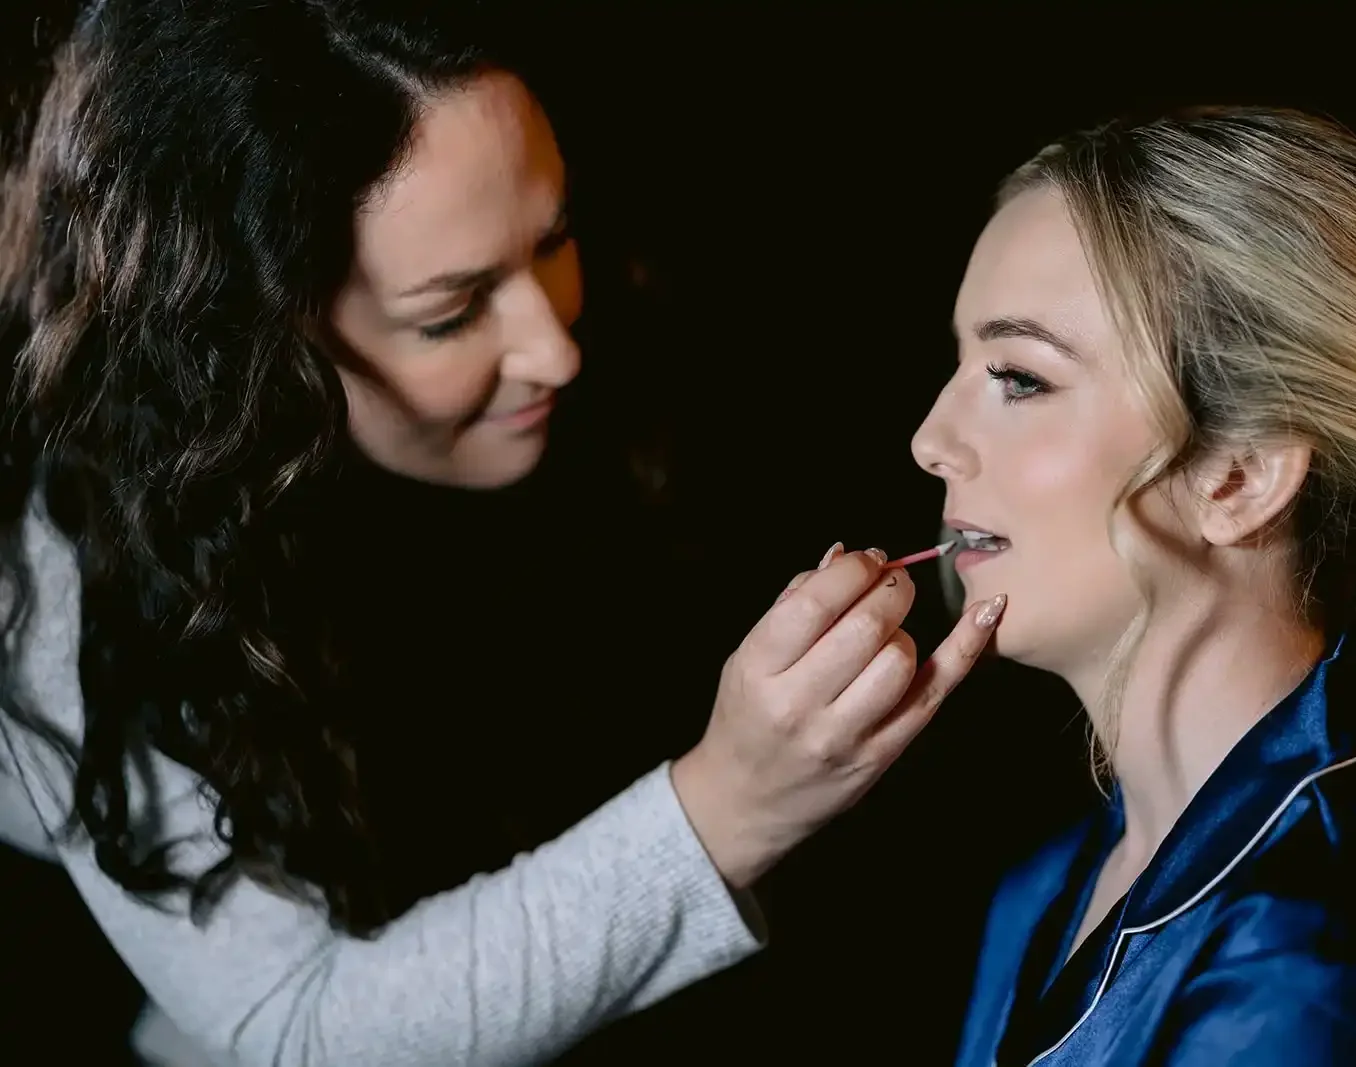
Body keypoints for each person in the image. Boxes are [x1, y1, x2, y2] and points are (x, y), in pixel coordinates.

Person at [0, 3, 1007, 1065]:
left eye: (554, 237)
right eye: (451, 311)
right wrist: (730, 802)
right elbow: (299, 1024)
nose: (554, 348)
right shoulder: (68, 577)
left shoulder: (650, 320)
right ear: (253, 339)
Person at [912, 107, 1356, 1065]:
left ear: (1240, 474)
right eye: (960, 364)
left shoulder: (1318, 966)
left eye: (1019, 377)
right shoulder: (1047, 887)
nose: (929, 441)